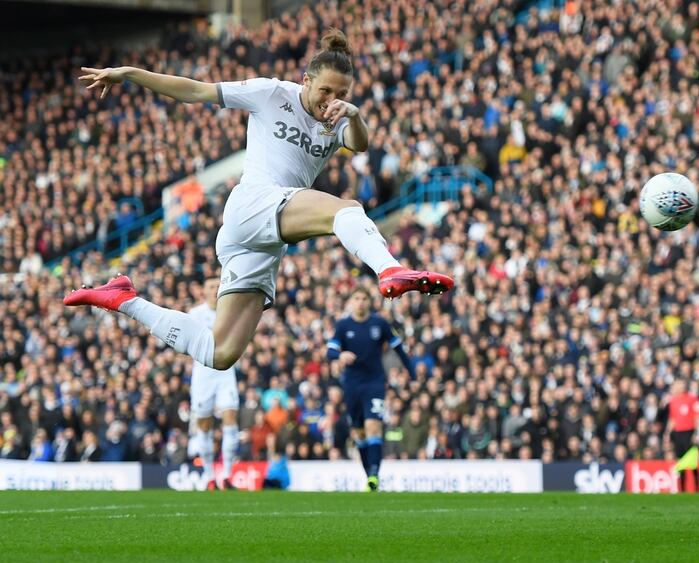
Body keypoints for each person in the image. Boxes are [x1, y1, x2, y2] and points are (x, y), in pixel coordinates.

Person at [63, 29, 453, 378]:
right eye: (326, 91)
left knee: (220, 353)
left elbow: (360, 142)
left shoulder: (338, 123)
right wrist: (130, 73)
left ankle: (123, 299)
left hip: (263, 239)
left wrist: (354, 112)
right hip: (252, 204)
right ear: (306, 81)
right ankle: (390, 270)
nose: (332, 101)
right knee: (347, 209)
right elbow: (195, 90)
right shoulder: (272, 93)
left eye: (342, 95)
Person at [327, 287, 415, 491]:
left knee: (373, 426)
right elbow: (330, 350)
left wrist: (412, 374)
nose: (360, 302)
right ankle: (370, 476)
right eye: (356, 298)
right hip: (351, 385)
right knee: (359, 432)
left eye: (364, 298)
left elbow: (399, 349)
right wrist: (339, 356)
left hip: (374, 382)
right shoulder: (343, 325)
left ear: (369, 301)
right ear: (351, 301)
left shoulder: (379, 323)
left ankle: (374, 473)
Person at [188, 277, 240, 490]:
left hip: (226, 372)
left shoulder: (230, 312)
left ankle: (227, 475)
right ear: (203, 291)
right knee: (205, 425)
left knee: (230, 418)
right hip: (203, 375)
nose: (215, 289)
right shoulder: (195, 315)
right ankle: (210, 476)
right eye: (211, 286)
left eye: (218, 286)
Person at [665, 381, 699, 493]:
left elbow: (697, 417)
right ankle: (682, 489)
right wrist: (667, 434)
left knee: (693, 462)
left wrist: (696, 432)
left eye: (682, 385)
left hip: (689, 432)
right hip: (678, 433)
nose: (680, 387)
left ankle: (697, 489)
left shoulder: (692, 399)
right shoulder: (673, 401)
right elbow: (672, 419)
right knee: (681, 462)